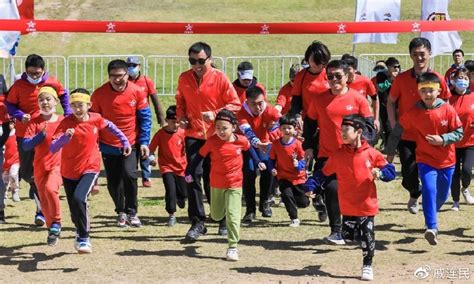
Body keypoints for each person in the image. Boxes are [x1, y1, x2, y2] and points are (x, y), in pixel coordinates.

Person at [305, 114, 396, 281]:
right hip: (347, 205)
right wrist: (311, 187)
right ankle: (359, 240)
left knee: (367, 235)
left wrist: (381, 173)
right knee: (349, 236)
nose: (343, 133)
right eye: (342, 130)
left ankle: (367, 265)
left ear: (359, 131)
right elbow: (322, 175)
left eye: (346, 130)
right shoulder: (338, 155)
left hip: (367, 204)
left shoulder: (372, 153)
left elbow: (391, 172)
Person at [303, 59, 376, 245]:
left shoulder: (358, 98)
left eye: (338, 76)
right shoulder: (319, 99)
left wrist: (363, 147)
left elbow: (369, 127)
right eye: (330, 76)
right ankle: (337, 231)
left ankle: (354, 229)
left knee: (353, 192)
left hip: (353, 156)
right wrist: (309, 147)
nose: (334, 79)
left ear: (347, 76)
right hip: (327, 154)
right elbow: (310, 124)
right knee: (331, 189)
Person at [51, 88, 131, 253]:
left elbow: (112, 128)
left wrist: (125, 141)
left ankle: (84, 237)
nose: (77, 109)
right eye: (74, 105)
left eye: (80, 105)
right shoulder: (65, 123)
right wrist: (66, 137)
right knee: (74, 208)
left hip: (90, 167)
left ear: (89, 105)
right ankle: (79, 228)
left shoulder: (96, 119)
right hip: (68, 170)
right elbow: (53, 147)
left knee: (80, 199)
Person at [175, 42, 240, 242]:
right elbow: (180, 102)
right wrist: (182, 117)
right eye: (193, 61)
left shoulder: (220, 77)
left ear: (210, 59)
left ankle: (220, 218)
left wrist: (215, 114)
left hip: (216, 136)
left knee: (216, 178)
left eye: (201, 61)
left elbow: (235, 104)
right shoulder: (184, 78)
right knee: (192, 176)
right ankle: (197, 222)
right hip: (194, 135)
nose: (197, 65)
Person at [396, 73, 462, 245]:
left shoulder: (448, 110)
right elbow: (399, 128)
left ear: (438, 90)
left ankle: (430, 211)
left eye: (431, 90)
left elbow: (459, 133)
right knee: (429, 190)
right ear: (419, 92)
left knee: (441, 195)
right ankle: (431, 227)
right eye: (423, 90)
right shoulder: (414, 111)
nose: (427, 94)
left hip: (447, 161)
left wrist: (444, 139)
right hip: (425, 160)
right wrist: (389, 151)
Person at [386, 37, 451, 214]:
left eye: (422, 54)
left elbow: (446, 103)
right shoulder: (401, 79)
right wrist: (393, 124)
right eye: (415, 54)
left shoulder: (438, 78)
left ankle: (431, 201)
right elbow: (391, 102)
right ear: (410, 56)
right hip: (406, 133)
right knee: (408, 173)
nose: (419, 58)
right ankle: (414, 192)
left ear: (429, 54)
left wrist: (444, 128)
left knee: (429, 171)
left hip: (430, 135)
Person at [5, 54, 72, 225]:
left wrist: (68, 113)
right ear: (25, 71)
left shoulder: (53, 81)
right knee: (28, 173)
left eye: (38, 73)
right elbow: (9, 104)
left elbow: (63, 95)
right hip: (25, 132)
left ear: (44, 71)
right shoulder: (19, 85)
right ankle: (38, 194)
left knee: (45, 170)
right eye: (31, 73)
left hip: (49, 131)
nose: (35, 77)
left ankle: (41, 210)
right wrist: (20, 115)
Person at [185, 109, 260, 261]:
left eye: (224, 128)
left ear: (234, 127)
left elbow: (250, 150)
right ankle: (223, 213)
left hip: (235, 184)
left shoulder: (241, 141)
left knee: (233, 216)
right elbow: (199, 156)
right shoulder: (212, 141)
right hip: (216, 184)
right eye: (218, 127)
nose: (221, 131)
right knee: (217, 215)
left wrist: (259, 162)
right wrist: (190, 171)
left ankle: (232, 247)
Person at [91, 59, 152, 228]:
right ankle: (121, 211)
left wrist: (144, 142)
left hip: (130, 143)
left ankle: (132, 212)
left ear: (128, 74)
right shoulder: (99, 94)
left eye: (120, 76)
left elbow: (145, 118)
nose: (117, 80)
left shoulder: (137, 91)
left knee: (130, 176)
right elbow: (93, 120)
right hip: (107, 144)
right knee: (113, 181)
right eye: (113, 76)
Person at [22, 86, 64, 245]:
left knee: (50, 189)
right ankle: (52, 229)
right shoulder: (34, 122)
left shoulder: (63, 121)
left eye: (48, 99)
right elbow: (26, 145)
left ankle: (57, 223)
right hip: (39, 166)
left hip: (58, 166)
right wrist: (40, 136)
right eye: (41, 99)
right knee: (43, 199)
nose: (45, 102)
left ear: (56, 102)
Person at [238, 86, 281, 222]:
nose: (258, 107)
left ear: (264, 100)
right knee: (249, 172)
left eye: (260, 103)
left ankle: (264, 203)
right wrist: (258, 143)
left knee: (268, 171)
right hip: (248, 146)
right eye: (253, 104)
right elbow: (248, 133)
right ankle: (250, 210)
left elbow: (282, 121)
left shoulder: (269, 108)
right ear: (247, 102)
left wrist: (275, 128)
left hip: (265, 145)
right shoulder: (241, 113)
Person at [127, 56, 165, 188]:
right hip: (130, 119)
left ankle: (146, 176)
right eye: (129, 65)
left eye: (134, 65)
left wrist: (161, 118)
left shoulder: (146, 81)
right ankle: (131, 174)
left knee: (144, 146)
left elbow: (155, 100)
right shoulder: (125, 81)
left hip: (143, 118)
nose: (131, 67)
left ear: (139, 66)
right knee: (132, 146)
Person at [149, 106, 188, 226]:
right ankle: (171, 214)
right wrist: (151, 159)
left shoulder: (183, 133)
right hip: (166, 167)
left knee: (185, 193)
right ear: (167, 120)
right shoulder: (160, 134)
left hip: (182, 167)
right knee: (170, 190)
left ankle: (181, 197)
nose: (176, 125)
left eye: (178, 122)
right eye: (173, 122)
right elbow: (151, 150)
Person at [269, 114, 309, 227]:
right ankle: (294, 218)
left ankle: (302, 200)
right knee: (287, 195)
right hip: (283, 176)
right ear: (280, 129)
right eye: (284, 128)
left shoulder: (298, 144)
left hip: (298, 177)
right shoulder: (276, 144)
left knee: (303, 203)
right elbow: (271, 159)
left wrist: (299, 165)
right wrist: (272, 168)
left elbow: (304, 160)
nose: (286, 130)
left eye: (289, 128)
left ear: (294, 128)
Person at [448, 68, 474, 210]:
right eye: (460, 77)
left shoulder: (473, 96)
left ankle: (465, 187)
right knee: (454, 173)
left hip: (470, 141)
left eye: (465, 78)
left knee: (467, 170)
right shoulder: (448, 98)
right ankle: (455, 201)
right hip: (452, 143)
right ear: (453, 80)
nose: (463, 80)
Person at [342, 55, 380, 133]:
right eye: (344, 69)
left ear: (355, 69)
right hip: (344, 121)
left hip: (361, 121)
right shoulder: (339, 83)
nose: (346, 72)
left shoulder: (365, 81)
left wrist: (376, 119)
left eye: (348, 69)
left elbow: (375, 99)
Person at [371, 57, 400, 151]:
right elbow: (381, 88)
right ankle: (389, 146)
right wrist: (391, 79)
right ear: (388, 67)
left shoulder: (400, 76)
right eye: (394, 67)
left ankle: (396, 146)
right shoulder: (381, 75)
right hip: (384, 104)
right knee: (387, 125)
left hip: (398, 104)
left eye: (398, 67)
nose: (397, 69)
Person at [3, 122, 20, 203]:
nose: (9, 125)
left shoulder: (17, 134)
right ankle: (4, 197)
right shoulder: (2, 134)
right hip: (4, 161)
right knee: (4, 181)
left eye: (11, 123)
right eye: (8, 124)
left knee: (13, 175)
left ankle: (15, 191)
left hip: (15, 160)